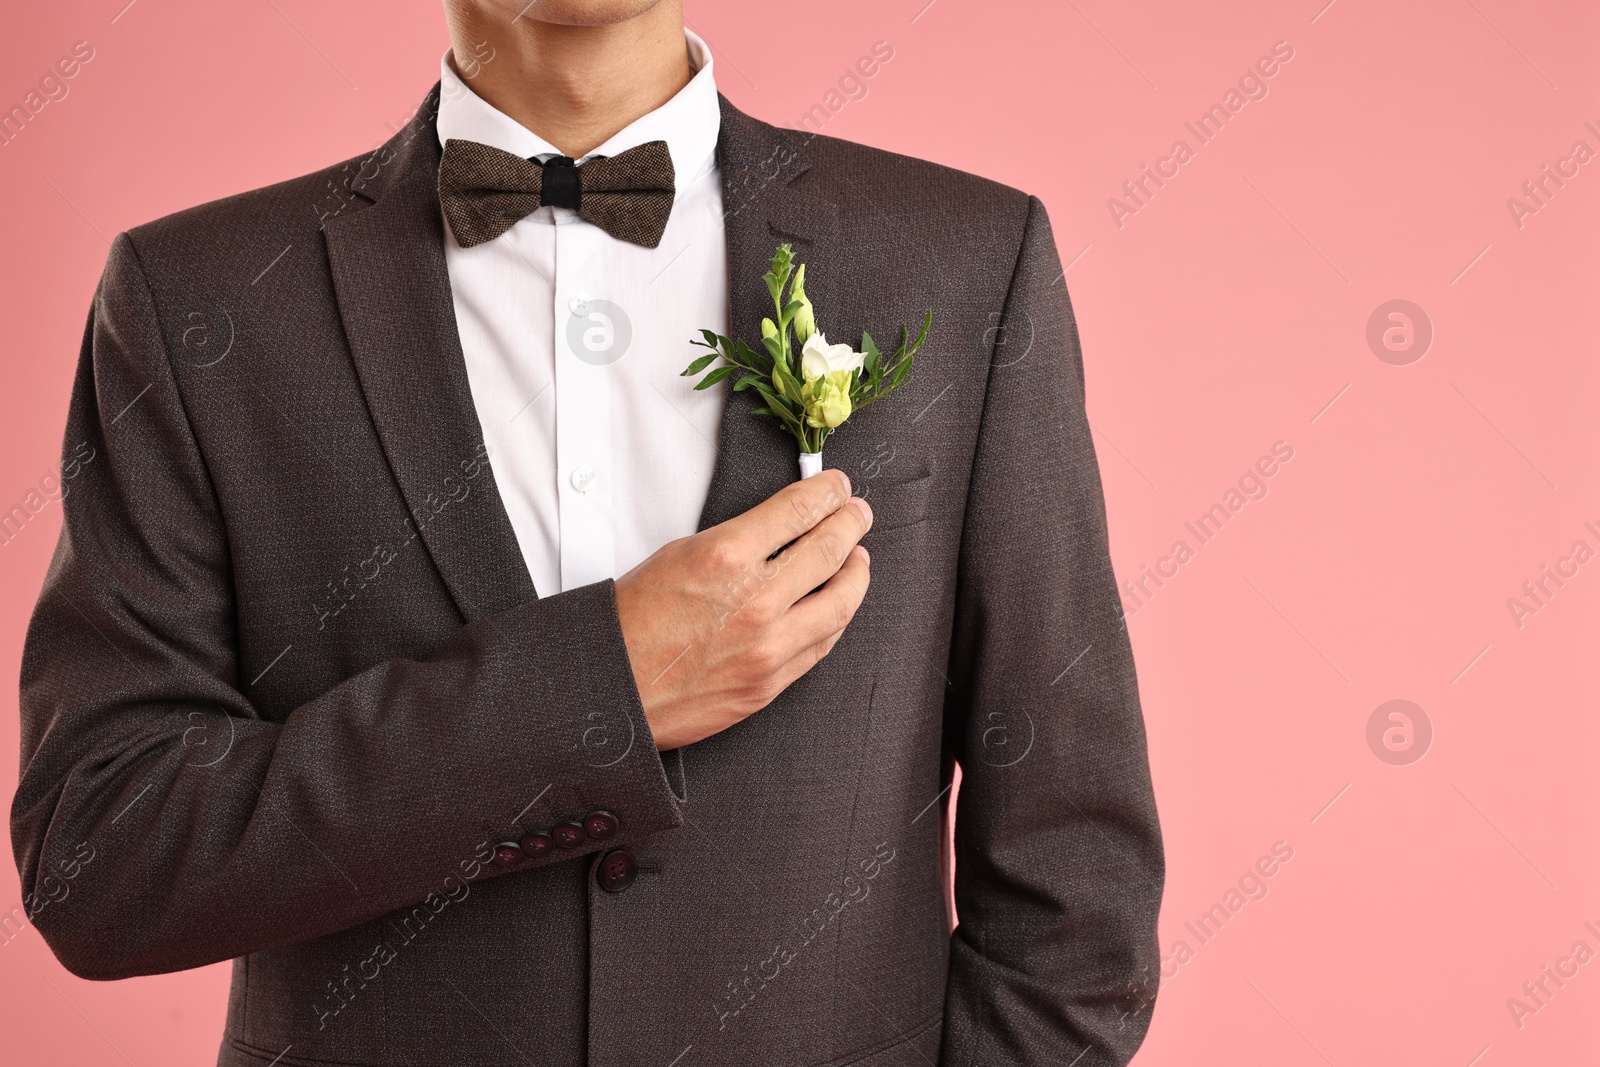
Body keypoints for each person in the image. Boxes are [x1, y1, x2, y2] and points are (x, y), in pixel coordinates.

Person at [11, 1, 1164, 1064]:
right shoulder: (196, 297)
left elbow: (1075, 884)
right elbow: (101, 850)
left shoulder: (965, 259)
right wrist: (592, 690)